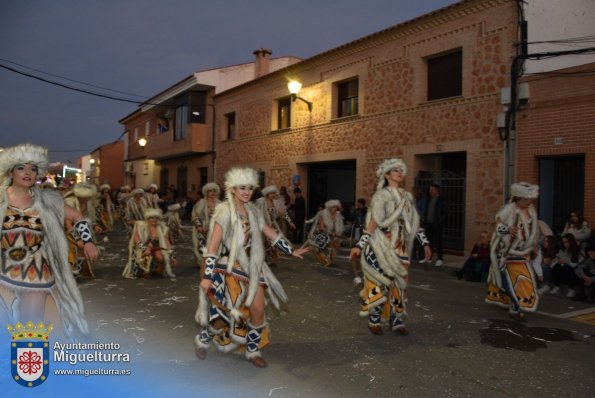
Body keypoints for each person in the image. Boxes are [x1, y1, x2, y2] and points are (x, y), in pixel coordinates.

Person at [194, 167, 308, 368]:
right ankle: (204, 338)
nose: (246, 192)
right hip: (228, 268)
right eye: (241, 188)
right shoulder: (223, 212)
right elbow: (212, 247)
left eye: (249, 188)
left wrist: (291, 250)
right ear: (232, 190)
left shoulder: (254, 211)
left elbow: (268, 231)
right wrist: (207, 276)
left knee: (258, 311)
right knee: (222, 318)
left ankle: (252, 350)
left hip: (253, 268)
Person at [0, 144, 97, 341]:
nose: (28, 172)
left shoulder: (47, 200)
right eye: (21, 167)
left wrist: (87, 242)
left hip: (35, 267)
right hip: (3, 266)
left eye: (33, 168)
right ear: (11, 171)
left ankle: (28, 367)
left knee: (30, 324)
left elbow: (78, 217)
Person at [350, 158, 432, 336]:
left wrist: (424, 242)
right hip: (383, 247)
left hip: (400, 247)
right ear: (387, 175)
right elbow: (373, 223)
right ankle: (375, 320)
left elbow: (414, 223)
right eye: (395, 170)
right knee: (381, 284)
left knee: (400, 285)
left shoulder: (407, 197)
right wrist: (360, 245)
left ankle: (397, 320)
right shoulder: (381, 196)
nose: (399, 173)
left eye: (401, 170)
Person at [485, 182, 540, 322]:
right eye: (527, 199)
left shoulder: (532, 210)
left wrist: (533, 245)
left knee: (524, 282)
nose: (529, 202)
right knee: (510, 283)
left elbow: (534, 230)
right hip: (507, 252)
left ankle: (513, 306)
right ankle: (515, 309)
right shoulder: (509, 209)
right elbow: (496, 223)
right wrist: (507, 229)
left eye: (530, 199)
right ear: (518, 198)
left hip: (523, 252)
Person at [122, 207, 175, 279]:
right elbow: (136, 240)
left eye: (156, 218)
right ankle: (142, 271)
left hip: (155, 248)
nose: (154, 219)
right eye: (151, 218)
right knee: (148, 254)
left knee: (163, 257)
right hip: (140, 249)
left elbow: (167, 243)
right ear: (147, 218)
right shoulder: (141, 225)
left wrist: (172, 256)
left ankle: (157, 269)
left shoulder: (162, 227)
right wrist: (144, 249)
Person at [63, 182, 99, 278]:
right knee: (75, 247)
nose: (88, 199)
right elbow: (68, 224)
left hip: (79, 229)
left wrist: (95, 226)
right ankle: (70, 271)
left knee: (83, 247)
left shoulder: (87, 203)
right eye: (87, 197)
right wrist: (77, 238)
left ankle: (78, 269)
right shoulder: (69, 202)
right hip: (66, 230)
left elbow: (87, 218)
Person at [255, 185, 296, 262]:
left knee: (276, 241)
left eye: (274, 193)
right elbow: (255, 213)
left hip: (273, 225)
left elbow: (283, 213)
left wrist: (290, 222)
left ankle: (269, 258)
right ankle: (263, 259)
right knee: (263, 242)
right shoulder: (261, 201)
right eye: (271, 193)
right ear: (267, 194)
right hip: (263, 226)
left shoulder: (276, 202)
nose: (273, 195)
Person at [305, 199, 345, 267]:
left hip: (335, 236)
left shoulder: (338, 216)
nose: (334, 209)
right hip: (324, 235)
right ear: (329, 208)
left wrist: (337, 234)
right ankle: (326, 260)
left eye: (335, 207)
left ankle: (330, 259)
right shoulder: (324, 215)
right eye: (333, 207)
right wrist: (329, 232)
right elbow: (321, 227)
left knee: (336, 245)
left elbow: (340, 227)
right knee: (320, 248)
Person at [191, 182, 221, 263]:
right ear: (206, 193)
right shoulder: (200, 203)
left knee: (215, 246)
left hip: (216, 228)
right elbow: (195, 216)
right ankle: (203, 263)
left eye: (214, 191)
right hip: (202, 228)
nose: (212, 193)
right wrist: (199, 227)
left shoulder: (220, 204)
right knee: (202, 247)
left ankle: (213, 261)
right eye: (210, 191)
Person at [549, 233, 584, 298]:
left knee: (567, 267)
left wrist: (566, 262)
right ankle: (556, 286)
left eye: (567, 242)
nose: (565, 244)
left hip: (576, 273)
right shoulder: (562, 250)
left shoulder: (579, 251)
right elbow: (553, 262)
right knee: (556, 266)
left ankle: (571, 289)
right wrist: (557, 262)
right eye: (564, 242)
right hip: (564, 272)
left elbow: (577, 265)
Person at [424, 183, 446, 266]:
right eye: (430, 190)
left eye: (431, 190)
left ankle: (440, 258)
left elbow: (445, 213)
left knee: (438, 241)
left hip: (437, 224)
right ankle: (429, 258)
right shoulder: (429, 199)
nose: (430, 191)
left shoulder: (442, 200)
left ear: (436, 190)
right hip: (428, 224)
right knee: (429, 241)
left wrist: (439, 221)